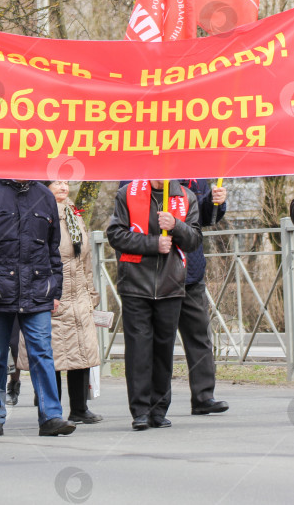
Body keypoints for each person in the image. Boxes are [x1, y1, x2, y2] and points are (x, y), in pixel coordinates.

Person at [0, 179, 75, 438]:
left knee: (42, 353)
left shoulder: (43, 196)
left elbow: (52, 248)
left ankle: (51, 416)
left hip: (38, 289)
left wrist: (55, 290)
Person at [107, 180, 202, 430]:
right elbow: (115, 235)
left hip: (171, 285)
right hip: (135, 284)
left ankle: (158, 409)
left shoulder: (186, 196)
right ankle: (139, 410)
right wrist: (152, 244)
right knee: (138, 349)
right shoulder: (127, 193)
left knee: (163, 349)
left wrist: (176, 226)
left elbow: (194, 240)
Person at [38, 180, 101, 424]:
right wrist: (47, 291)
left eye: (65, 182)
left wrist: (91, 291)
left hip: (79, 293)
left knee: (81, 352)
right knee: (53, 354)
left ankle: (79, 408)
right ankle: (53, 411)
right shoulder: (41, 213)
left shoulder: (74, 213)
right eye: (57, 183)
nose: (63, 187)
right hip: (54, 291)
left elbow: (84, 257)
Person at [178, 179, 229, 415]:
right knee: (155, 341)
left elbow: (206, 219)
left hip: (192, 271)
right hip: (155, 273)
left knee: (199, 336)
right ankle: (149, 403)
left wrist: (215, 202)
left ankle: (204, 396)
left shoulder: (198, 174)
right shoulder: (145, 173)